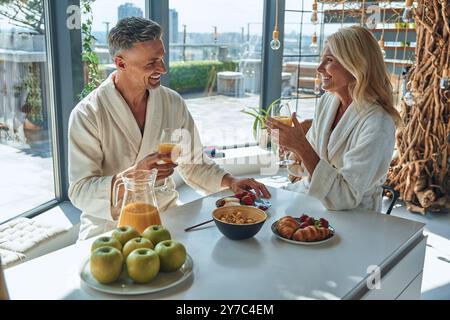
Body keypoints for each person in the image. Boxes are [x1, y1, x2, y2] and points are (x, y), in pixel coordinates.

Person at [68, 17, 270, 240]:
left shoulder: (171, 103)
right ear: (121, 63)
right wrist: (136, 175)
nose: (162, 69)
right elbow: (80, 191)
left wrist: (230, 182)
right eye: (151, 63)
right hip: (110, 225)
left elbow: (194, 163)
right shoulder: (88, 114)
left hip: (165, 215)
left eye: (162, 58)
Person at [266, 25, 401, 212]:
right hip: (316, 201)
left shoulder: (378, 123)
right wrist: (293, 147)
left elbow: (346, 196)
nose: (319, 68)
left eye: (328, 60)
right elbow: (312, 166)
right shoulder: (327, 102)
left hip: (356, 217)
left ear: (355, 65)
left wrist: (301, 146)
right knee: (262, 206)